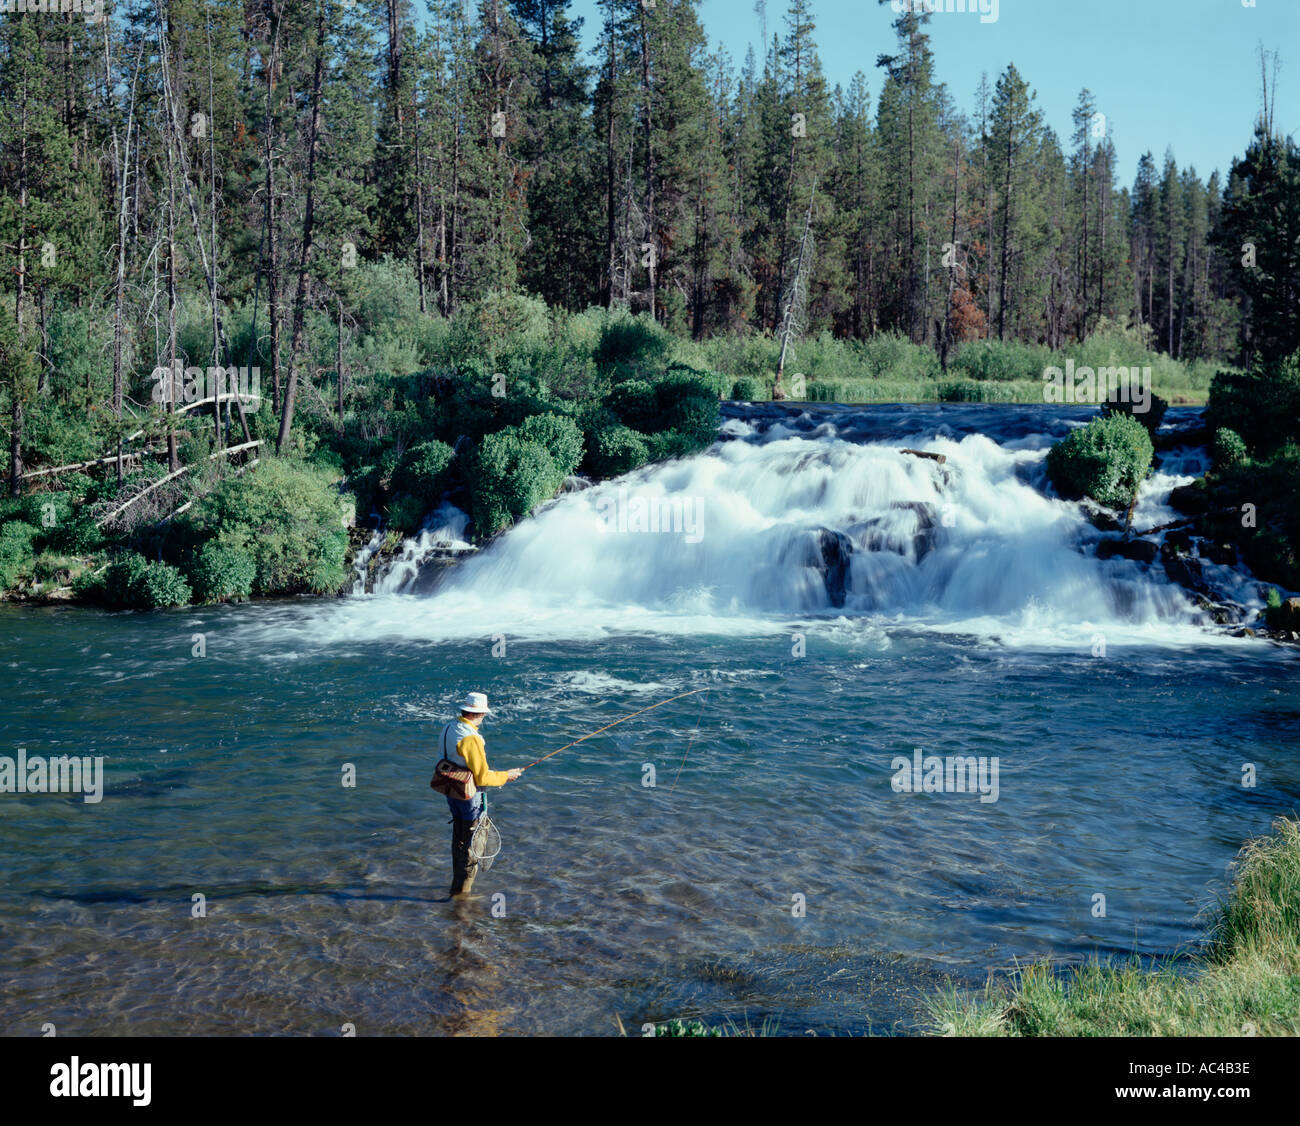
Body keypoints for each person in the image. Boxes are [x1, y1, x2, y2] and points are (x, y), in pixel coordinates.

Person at [440, 692, 523, 899]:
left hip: (452, 791)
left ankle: (456, 887)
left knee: (459, 838)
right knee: (472, 845)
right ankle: (462, 895)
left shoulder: (449, 728)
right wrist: (506, 776)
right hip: (471, 797)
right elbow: (483, 777)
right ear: (480, 714)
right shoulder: (471, 738)